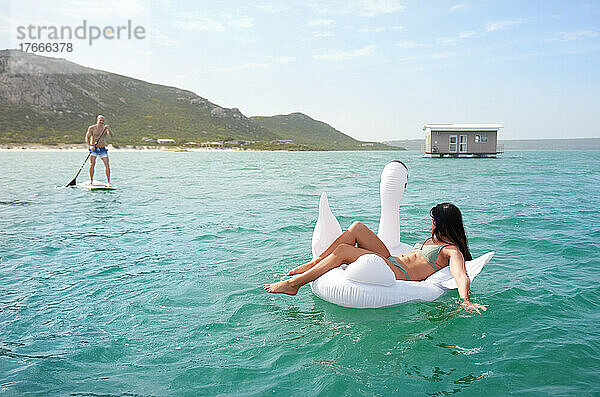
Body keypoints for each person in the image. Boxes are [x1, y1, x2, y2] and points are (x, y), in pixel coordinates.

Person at [263, 203, 488, 314]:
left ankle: (293, 285)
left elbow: (460, 276)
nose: (431, 223)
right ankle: (315, 263)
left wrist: (466, 301)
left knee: (343, 251)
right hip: (391, 260)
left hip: (397, 272)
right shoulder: (433, 241)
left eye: (433, 219)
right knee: (357, 228)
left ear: (441, 223)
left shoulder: (451, 251)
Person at [85, 115, 113, 185]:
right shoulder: (92, 128)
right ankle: (91, 181)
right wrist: (90, 146)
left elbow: (111, 136)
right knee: (92, 164)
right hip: (94, 148)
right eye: (100, 120)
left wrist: (108, 129)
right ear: (97, 120)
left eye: (103, 120)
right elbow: (87, 137)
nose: (102, 122)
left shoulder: (105, 128)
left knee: (107, 165)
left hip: (102, 148)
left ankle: (108, 182)